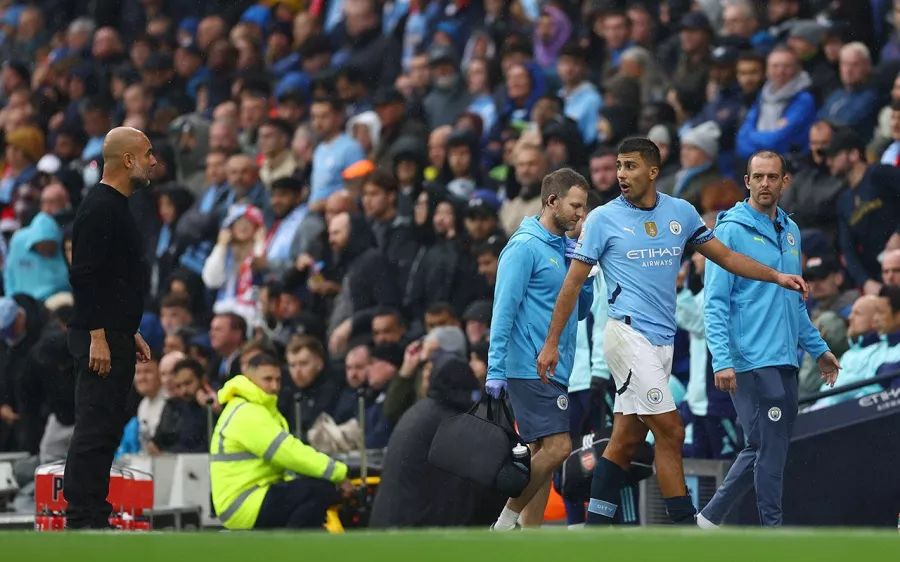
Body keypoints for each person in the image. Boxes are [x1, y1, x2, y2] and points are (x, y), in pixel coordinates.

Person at [537, 138, 809, 526]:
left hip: (662, 342)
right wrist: (552, 344)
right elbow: (572, 284)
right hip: (627, 337)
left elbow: (728, 258)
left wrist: (777, 275)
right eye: (618, 166)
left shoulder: (680, 212)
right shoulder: (602, 218)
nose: (620, 175)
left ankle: (593, 530)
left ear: (653, 171)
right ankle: (685, 528)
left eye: (630, 166)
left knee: (625, 441)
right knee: (671, 429)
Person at [698, 150, 841, 527]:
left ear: (784, 182)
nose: (764, 183)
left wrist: (820, 350)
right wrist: (722, 359)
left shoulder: (791, 231)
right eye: (757, 177)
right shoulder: (729, 231)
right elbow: (713, 303)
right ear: (747, 181)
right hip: (748, 360)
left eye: (771, 177)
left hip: (785, 359)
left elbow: (795, 303)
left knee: (765, 445)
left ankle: (709, 521)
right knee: (769, 446)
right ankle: (772, 533)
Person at [485, 168, 594, 531]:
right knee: (560, 448)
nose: (581, 214)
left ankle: (529, 540)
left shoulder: (562, 248)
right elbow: (503, 310)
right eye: (575, 206)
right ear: (552, 202)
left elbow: (580, 314)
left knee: (540, 457)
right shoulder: (524, 246)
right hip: (529, 365)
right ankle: (504, 523)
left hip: (555, 366)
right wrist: (495, 369)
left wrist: (585, 275)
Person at [63, 127, 156, 530]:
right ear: (129, 160)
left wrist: (125, 328)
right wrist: (99, 334)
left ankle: (91, 513)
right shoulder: (101, 206)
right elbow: (84, 276)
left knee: (105, 428)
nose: (154, 160)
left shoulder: (114, 206)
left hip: (112, 333)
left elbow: (109, 279)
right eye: (148, 153)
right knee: (95, 426)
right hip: (97, 337)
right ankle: (83, 517)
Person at [210, 353, 354, 530]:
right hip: (245, 502)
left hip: (249, 497)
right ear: (249, 378)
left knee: (311, 490)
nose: (275, 386)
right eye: (267, 379)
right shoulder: (247, 412)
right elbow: (288, 452)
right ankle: (289, 548)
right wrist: (337, 472)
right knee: (319, 491)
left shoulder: (257, 409)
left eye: (278, 380)